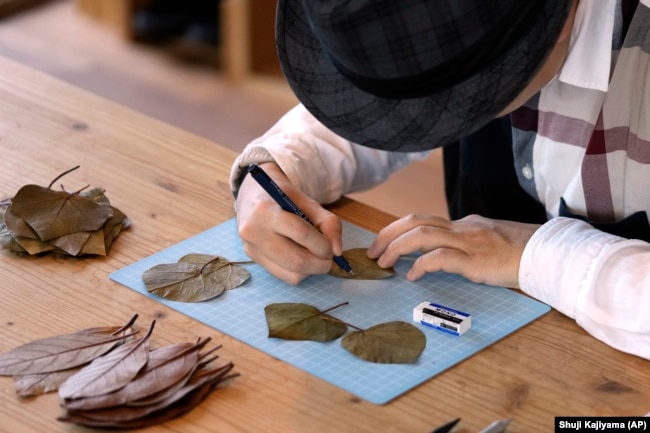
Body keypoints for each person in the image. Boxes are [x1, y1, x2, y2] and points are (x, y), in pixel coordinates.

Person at [229, 0, 650, 360]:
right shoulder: (462, 23)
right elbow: (389, 100)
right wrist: (275, 169)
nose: (422, 114)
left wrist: (535, 257)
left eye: (451, 104)